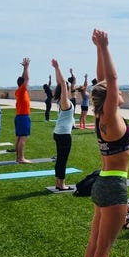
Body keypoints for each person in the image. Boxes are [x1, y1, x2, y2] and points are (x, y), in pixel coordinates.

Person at [85, 29, 129, 257]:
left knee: (94, 244)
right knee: (103, 249)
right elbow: (111, 81)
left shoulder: (100, 116)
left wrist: (98, 50)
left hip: (103, 181)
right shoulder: (110, 117)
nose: (119, 91)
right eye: (116, 92)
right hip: (113, 186)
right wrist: (104, 47)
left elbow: (105, 82)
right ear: (110, 97)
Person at [51, 59, 75, 191]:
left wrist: (56, 69)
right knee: (62, 159)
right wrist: (58, 67)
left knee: (60, 158)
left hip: (59, 133)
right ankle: (61, 184)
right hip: (64, 135)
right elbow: (62, 84)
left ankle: (58, 182)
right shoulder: (65, 102)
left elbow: (60, 84)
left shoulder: (61, 101)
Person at [14, 57, 32, 164]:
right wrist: (26, 68)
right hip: (23, 117)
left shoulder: (19, 91)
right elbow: (26, 79)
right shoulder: (21, 90)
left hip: (20, 116)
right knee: (23, 138)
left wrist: (24, 69)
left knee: (19, 138)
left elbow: (24, 79)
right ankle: (21, 158)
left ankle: (18, 158)